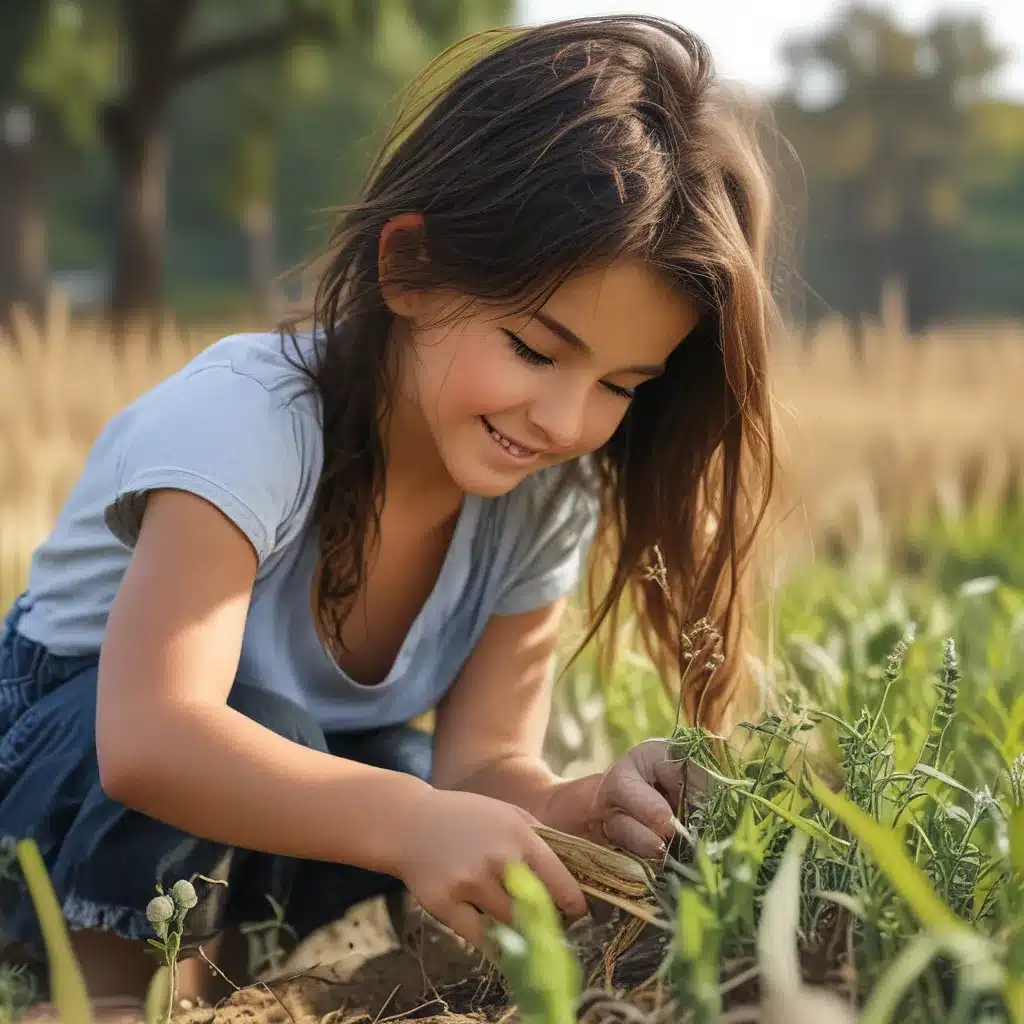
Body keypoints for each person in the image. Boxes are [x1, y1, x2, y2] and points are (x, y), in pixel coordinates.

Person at [0, 13, 780, 1009]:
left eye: (621, 385)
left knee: (408, 770)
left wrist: (578, 806)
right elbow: (153, 737)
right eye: (537, 350)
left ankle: (236, 986)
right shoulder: (249, 423)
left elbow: (483, 768)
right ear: (407, 266)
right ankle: (108, 993)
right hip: (61, 768)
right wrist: (409, 820)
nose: (563, 417)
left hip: (250, 801)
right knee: (292, 734)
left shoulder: (542, 497)